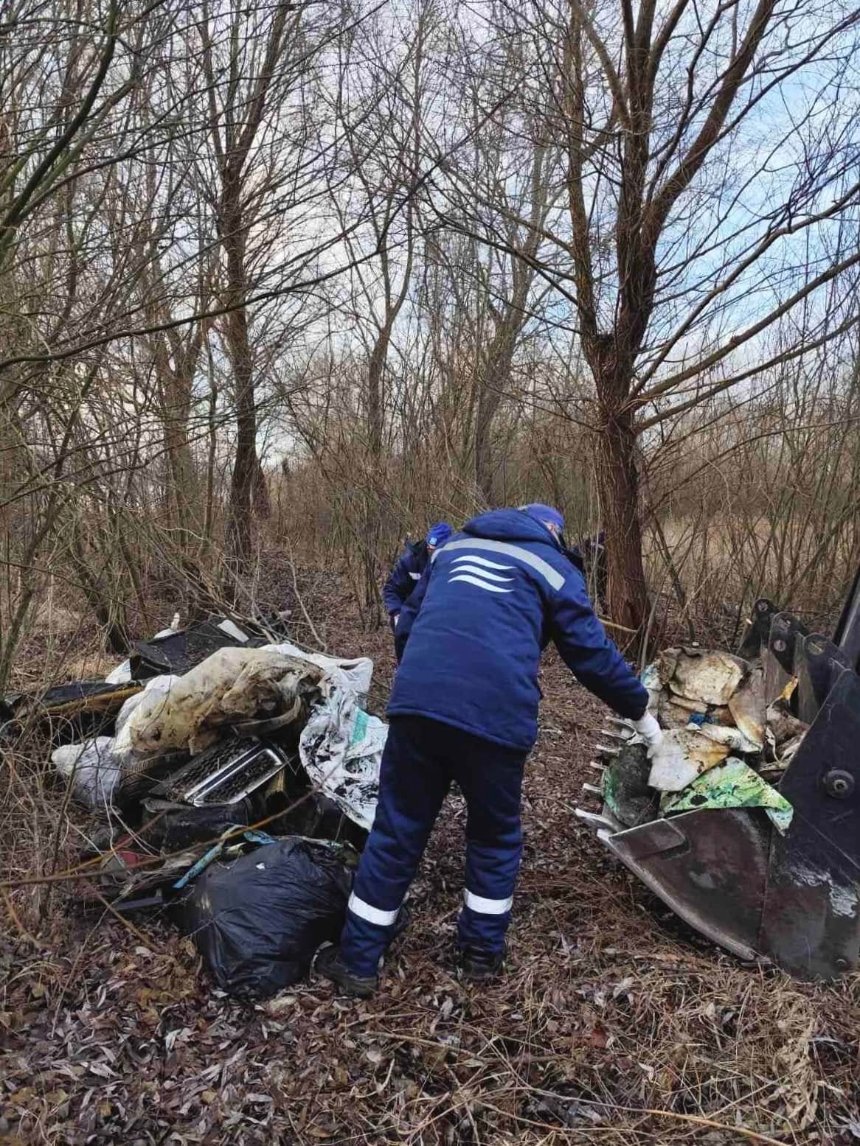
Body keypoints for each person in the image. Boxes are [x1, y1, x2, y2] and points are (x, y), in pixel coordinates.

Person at [316, 504, 662, 996]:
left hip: (418, 707)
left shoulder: (453, 548)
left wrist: (428, 682)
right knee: (493, 836)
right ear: (551, 532)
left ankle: (357, 963)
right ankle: (479, 957)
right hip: (495, 719)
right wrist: (643, 716)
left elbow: (407, 624)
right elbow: (593, 657)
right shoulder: (554, 569)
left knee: (396, 830)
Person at [382, 521, 453, 632]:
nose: (432, 553)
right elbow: (392, 589)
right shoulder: (410, 561)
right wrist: (397, 613)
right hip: (413, 618)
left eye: (436, 550)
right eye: (430, 549)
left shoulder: (456, 564)